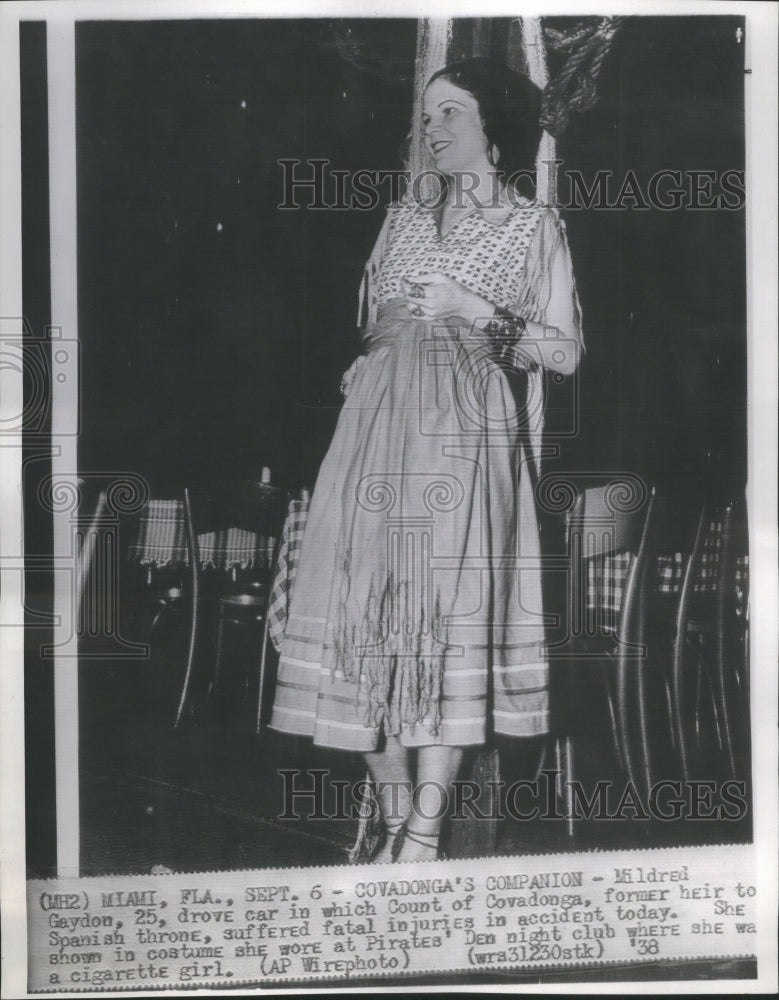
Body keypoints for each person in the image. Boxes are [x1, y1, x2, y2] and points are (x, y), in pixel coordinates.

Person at [270, 57, 583, 862]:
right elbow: (370, 316)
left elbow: (565, 352)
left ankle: (424, 836)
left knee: (444, 625)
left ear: (492, 128)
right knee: (359, 614)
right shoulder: (404, 215)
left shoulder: (531, 225)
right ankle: (399, 808)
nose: (432, 130)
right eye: (427, 115)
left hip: (466, 433)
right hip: (374, 425)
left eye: (451, 114)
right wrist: (375, 345)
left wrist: (476, 309)